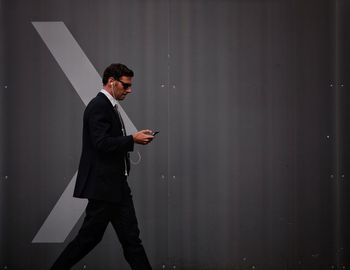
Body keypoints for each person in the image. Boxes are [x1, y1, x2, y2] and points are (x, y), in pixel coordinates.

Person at [51, 63, 154, 270]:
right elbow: (101, 143)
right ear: (111, 82)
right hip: (104, 189)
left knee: (131, 241)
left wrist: (131, 139)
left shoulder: (109, 106)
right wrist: (132, 139)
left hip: (117, 187)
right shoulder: (99, 106)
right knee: (88, 240)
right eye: (125, 86)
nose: (129, 90)